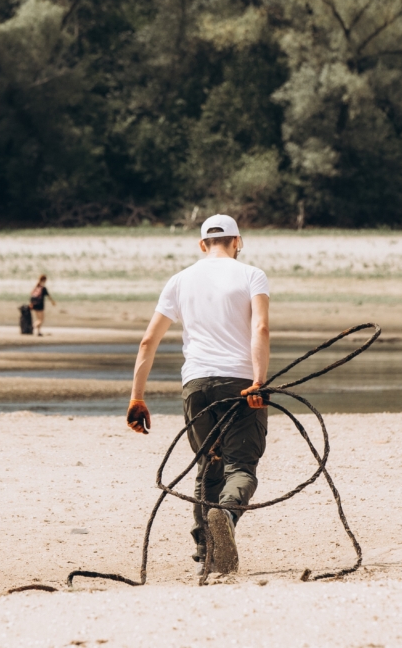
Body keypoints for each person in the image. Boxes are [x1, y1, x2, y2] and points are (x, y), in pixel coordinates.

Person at [125, 214, 269, 574]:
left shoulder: (179, 280)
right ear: (238, 242)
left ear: (202, 245)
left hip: (196, 386)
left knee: (209, 464)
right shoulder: (251, 275)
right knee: (241, 466)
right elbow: (261, 328)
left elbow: (148, 341)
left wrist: (136, 398)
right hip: (239, 382)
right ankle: (225, 516)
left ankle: (206, 548)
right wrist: (259, 381)